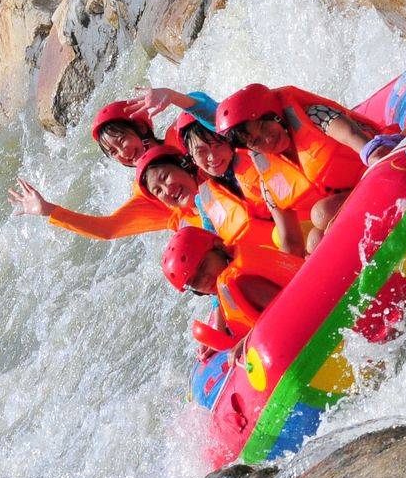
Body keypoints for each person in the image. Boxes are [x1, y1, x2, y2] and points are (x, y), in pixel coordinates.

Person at [216, 83, 383, 252]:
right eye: (256, 141)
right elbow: (290, 241)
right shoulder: (267, 181)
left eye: (263, 126)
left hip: (378, 174)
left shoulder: (315, 116)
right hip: (352, 205)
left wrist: (379, 160)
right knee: (315, 241)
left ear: (274, 113)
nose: (267, 139)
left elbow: (365, 146)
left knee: (321, 213)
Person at [6, 98, 174, 239]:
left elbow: (192, 109)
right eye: (114, 152)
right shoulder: (146, 192)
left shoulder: (176, 136)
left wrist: (172, 96)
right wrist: (49, 210)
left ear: (141, 128)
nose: (124, 153)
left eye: (122, 140)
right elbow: (109, 229)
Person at [170, 112, 318, 255]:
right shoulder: (204, 200)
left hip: (306, 227)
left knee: (279, 235)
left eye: (218, 144)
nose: (212, 157)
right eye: (201, 151)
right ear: (192, 159)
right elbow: (215, 248)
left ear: (228, 141)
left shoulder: (260, 155)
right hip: (269, 253)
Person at [161, 225, 303, 343]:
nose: (204, 279)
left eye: (203, 266)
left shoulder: (243, 281)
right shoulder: (228, 286)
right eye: (195, 281)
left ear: (218, 246)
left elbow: (289, 310)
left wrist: (247, 342)